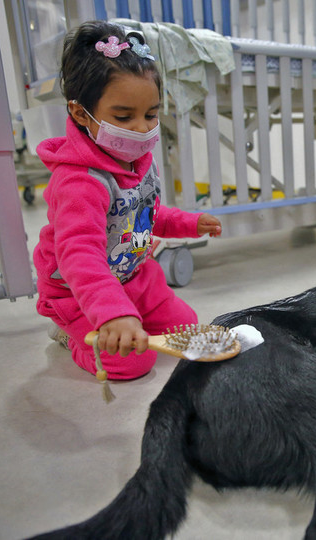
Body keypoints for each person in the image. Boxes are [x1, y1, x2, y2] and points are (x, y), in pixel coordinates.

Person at [34, 20, 222, 380]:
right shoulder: (79, 182)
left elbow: (144, 213)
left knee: (187, 328)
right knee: (131, 362)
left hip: (134, 275)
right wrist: (112, 314)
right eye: (123, 117)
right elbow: (80, 255)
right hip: (78, 291)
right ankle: (71, 336)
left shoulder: (138, 160)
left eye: (151, 114)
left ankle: (127, 313)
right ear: (80, 113)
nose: (142, 127)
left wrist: (189, 222)